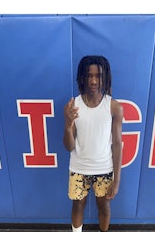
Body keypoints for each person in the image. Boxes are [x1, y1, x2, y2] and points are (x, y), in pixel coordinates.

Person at [63, 55, 123, 232]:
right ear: (82, 77)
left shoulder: (113, 107)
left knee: (104, 206)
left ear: (105, 77)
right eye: (89, 76)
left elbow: (118, 144)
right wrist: (68, 125)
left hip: (104, 168)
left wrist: (117, 179)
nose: (94, 80)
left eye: (98, 75)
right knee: (77, 205)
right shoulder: (73, 106)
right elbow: (69, 146)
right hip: (78, 167)